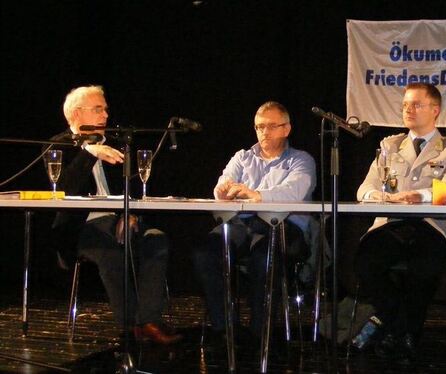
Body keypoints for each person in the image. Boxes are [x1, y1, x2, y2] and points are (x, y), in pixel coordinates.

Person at [49, 85, 182, 345]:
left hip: (116, 219)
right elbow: (62, 190)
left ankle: (148, 321)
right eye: (98, 109)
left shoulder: (113, 144)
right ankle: (129, 328)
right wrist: (88, 153)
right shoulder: (57, 145)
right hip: (80, 227)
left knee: (156, 240)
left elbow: (128, 188)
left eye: (106, 109)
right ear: (77, 114)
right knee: (112, 254)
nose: (106, 115)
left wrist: (127, 214)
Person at [351, 82, 446, 362]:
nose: (408, 110)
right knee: (365, 261)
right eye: (405, 105)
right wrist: (385, 197)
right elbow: (364, 190)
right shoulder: (389, 146)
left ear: (435, 110)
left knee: (423, 268)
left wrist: (420, 195)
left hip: (431, 225)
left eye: (416, 104)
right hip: (391, 223)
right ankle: (399, 326)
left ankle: (400, 333)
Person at [193, 101, 317, 344]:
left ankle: (261, 333)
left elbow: (293, 191)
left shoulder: (301, 160)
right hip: (244, 224)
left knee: (265, 257)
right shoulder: (243, 157)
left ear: (286, 129)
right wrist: (224, 190)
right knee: (204, 253)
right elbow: (222, 184)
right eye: (259, 127)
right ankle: (226, 328)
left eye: (271, 126)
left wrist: (254, 194)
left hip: (285, 227)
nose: (264, 133)